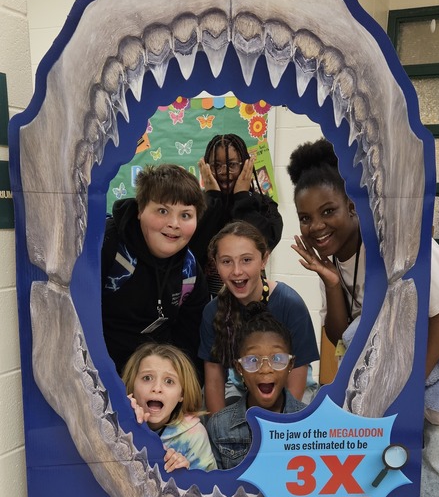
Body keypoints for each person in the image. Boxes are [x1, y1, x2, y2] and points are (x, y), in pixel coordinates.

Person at [288, 137, 439, 497]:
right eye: (306, 218)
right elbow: (339, 335)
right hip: (414, 347)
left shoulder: (397, 241)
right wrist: (330, 281)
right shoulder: (337, 260)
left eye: (327, 211)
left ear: (354, 206)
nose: (316, 226)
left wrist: (410, 388)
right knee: (389, 443)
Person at [198, 221, 319, 414]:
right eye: (226, 261)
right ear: (216, 264)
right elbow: (214, 380)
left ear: (264, 260)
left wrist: (282, 429)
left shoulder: (290, 304)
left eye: (246, 260)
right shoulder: (212, 312)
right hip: (242, 388)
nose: (237, 271)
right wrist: (219, 431)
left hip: (290, 390)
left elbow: (297, 375)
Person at [102, 164, 209, 377]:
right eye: (163, 211)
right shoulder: (107, 245)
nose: (174, 224)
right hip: (100, 376)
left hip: (153, 385)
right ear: (140, 210)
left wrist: (182, 398)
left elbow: (190, 346)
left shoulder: (189, 271)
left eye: (186, 215)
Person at [207, 309, 306, 469]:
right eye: (253, 360)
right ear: (239, 367)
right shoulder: (219, 425)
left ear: (291, 365)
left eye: (277, 359)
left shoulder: (309, 423)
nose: (265, 369)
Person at [192, 133, 283, 293]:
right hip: (203, 301)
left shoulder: (263, 204)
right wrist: (212, 198)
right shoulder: (196, 205)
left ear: (245, 165)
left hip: (251, 300)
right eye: (216, 165)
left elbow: (264, 244)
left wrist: (242, 199)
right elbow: (194, 248)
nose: (222, 172)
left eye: (232, 164)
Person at [121, 342, 216, 472]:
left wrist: (185, 475)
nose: (157, 388)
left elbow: (205, 487)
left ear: (181, 394)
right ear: (132, 385)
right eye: (147, 378)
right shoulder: (117, 423)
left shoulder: (194, 435)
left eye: (169, 381)